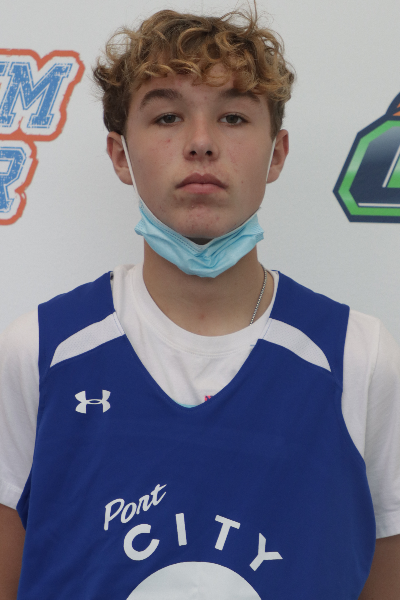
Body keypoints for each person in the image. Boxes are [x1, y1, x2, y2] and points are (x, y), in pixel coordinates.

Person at [1, 7, 400, 599]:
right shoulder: (39, 352)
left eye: (233, 116)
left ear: (277, 154)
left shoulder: (360, 359)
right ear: (120, 155)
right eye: (167, 116)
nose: (201, 143)